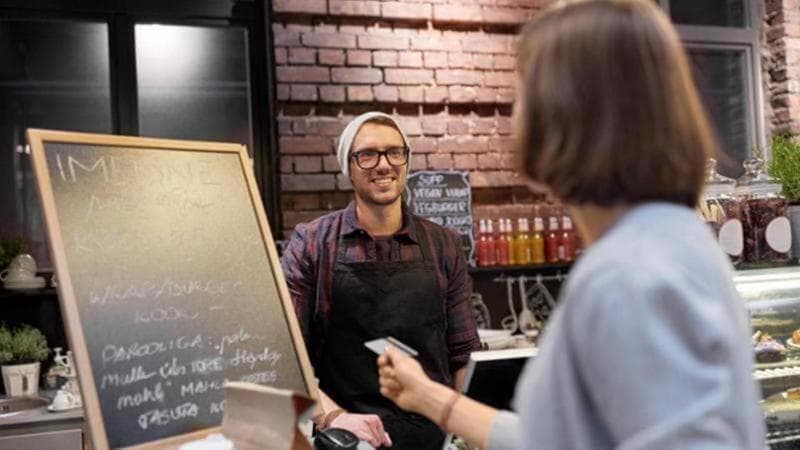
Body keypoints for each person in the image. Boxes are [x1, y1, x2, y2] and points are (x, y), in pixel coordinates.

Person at [376, 1, 765, 449]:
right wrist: (431, 399)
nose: (512, 115)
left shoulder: (627, 275)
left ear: (563, 114)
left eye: (522, 94)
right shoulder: (669, 240)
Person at [281, 111, 481, 449]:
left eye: (394, 152)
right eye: (368, 154)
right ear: (348, 166)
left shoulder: (444, 244)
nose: (384, 164)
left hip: (433, 437)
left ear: (406, 160)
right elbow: (286, 357)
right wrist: (332, 417)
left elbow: (463, 353)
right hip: (349, 437)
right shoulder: (312, 243)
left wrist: (467, 432)